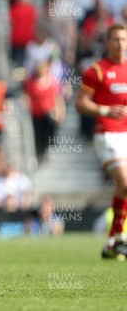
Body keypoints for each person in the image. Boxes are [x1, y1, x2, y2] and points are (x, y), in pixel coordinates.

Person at [76, 23, 127, 260]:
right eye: (116, 39)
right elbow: (81, 103)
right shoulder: (96, 70)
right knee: (125, 184)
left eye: (124, 39)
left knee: (123, 189)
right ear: (107, 42)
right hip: (107, 134)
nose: (121, 44)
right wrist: (106, 111)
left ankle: (112, 242)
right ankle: (120, 238)